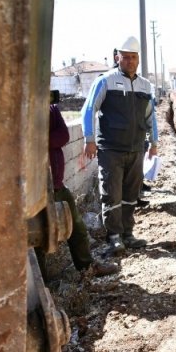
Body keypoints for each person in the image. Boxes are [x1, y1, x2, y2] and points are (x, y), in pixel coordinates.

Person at [82, 36, 158, 255]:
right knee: (111, 193)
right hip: (111, 149)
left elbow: (150, 116)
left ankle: (128, 233)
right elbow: (89, 110)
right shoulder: (105, 81)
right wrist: (90, 139)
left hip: (136, 148)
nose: (130, 61)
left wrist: (154, 143)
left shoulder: (145, 85)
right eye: (125, 57)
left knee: (131, 193)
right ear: (118, 57)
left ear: (138, 59)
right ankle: (114, 236)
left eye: (133, 57)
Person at [47, 91, 119, 277]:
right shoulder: (25, 113)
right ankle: (43, 289)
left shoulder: (52, 109)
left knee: (77, 226)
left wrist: (44, 140)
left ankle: (87, 267)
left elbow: (63, 135)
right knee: (41, 235)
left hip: (57, 183)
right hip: (37, 188)